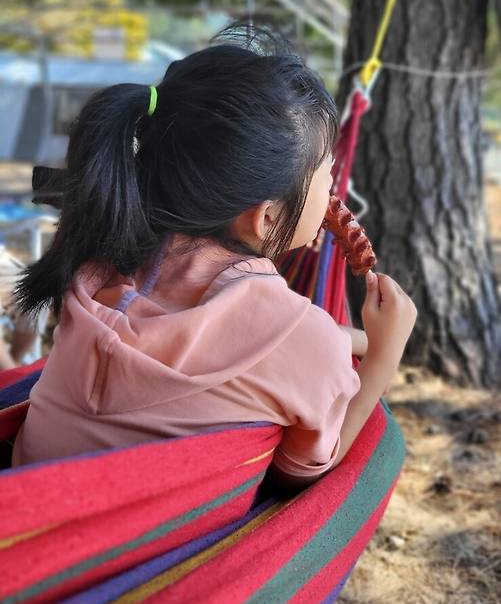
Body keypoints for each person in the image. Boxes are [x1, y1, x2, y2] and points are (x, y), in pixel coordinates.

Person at [11, 26, 416, 489]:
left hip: (29, 524)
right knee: (384, 450)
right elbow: (305, 471)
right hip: (155, 557)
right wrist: (385, 354)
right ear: (266, 219)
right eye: (327, 172)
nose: (333, 188)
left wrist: (354, 338)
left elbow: (200, 332)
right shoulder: (304, 342)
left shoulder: (97, 262)